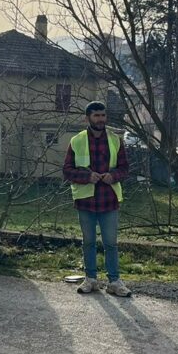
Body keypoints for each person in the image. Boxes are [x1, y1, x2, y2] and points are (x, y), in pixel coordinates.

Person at [63, 101, 132, 296]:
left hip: (109, 199)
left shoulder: (115, 140)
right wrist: (87, 177)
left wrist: (114, 176)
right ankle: (91, 279)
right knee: (89, 242)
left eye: (103, 115)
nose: (101, 119)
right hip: (86, 200)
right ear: (88, 118)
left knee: (111, 243)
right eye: (96, 116)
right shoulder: (76, 141)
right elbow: (67, 170)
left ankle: (114, 281)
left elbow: (125, 168)